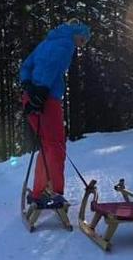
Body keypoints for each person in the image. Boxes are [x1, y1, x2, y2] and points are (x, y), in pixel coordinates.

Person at [20, 19, 91, 208]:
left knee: (46, 145)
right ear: (78, 34)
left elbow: (26, 65)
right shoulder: (67, 43)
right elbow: (51, 66)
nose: (81, 45)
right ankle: (55, 193)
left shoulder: (47, 42)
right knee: (56, 145)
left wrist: (29, 88)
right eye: (83, 40)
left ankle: (39, 191)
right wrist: (41, 91)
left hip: (31, 96)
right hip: (46, 98)